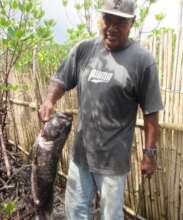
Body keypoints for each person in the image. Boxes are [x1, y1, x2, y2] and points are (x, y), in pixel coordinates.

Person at [39, 0, 163, 219]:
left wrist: (150, 154)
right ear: (100, 19)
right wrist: (49, 100)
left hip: (113, 163)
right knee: (75, 212)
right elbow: (61, 79)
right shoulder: (85, 50)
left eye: (120, 22)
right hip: (81, 156)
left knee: (110, 215)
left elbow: (151, 113)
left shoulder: (142, 62)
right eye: (107, 19)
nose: (112, 27)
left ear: (132, 23)